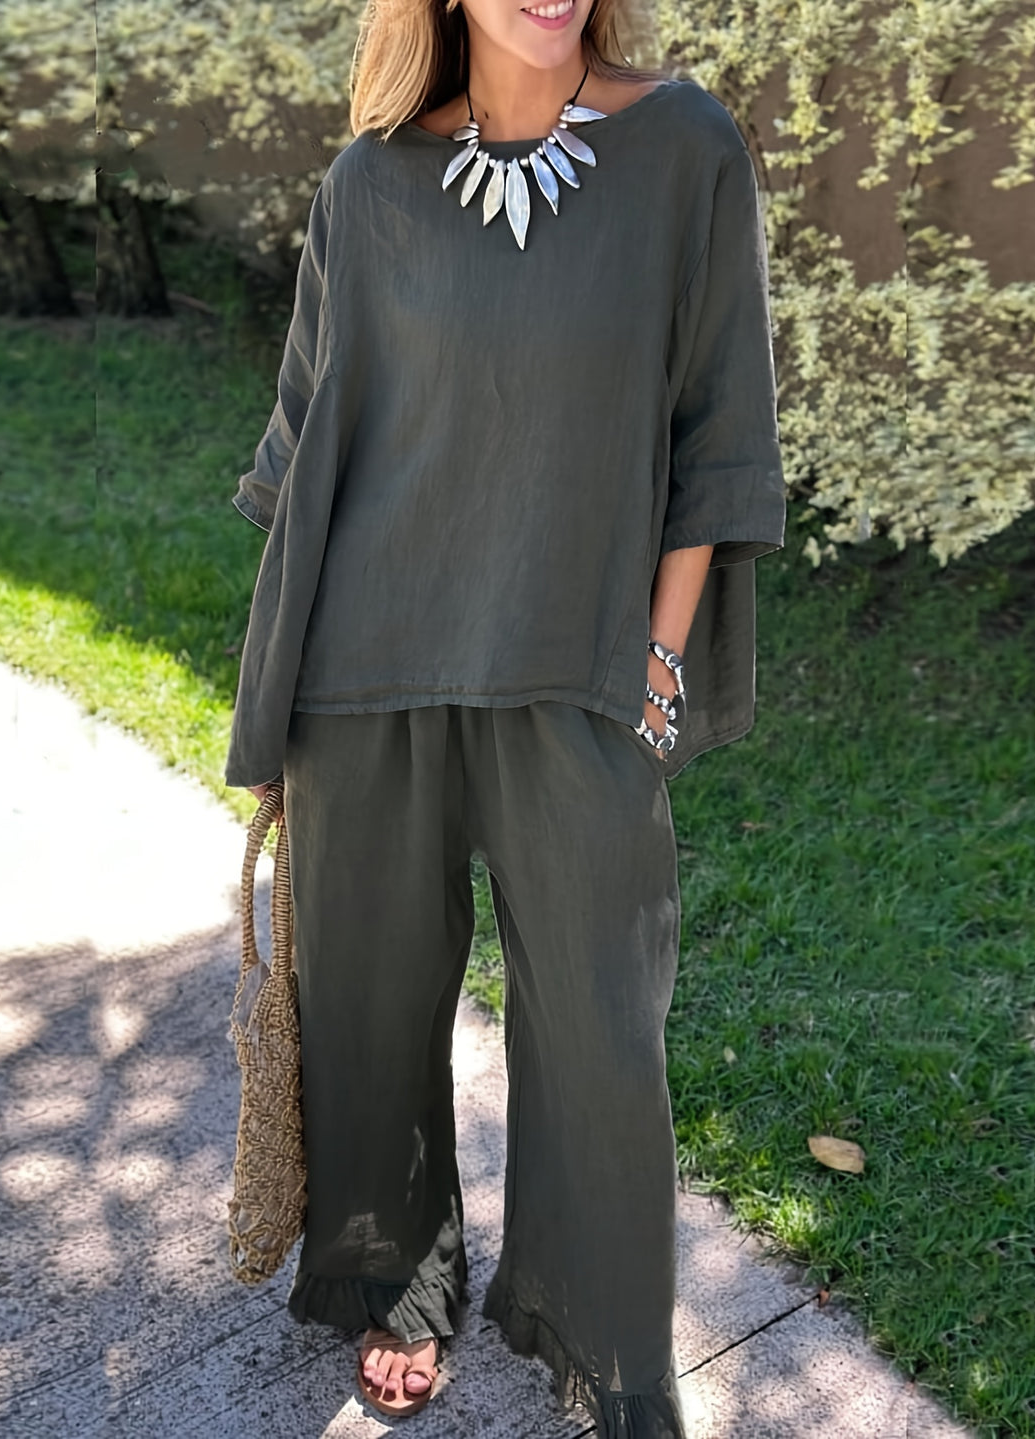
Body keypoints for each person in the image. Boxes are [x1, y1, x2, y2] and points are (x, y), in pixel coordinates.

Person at [224, 0, 786, 1432]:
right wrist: (280, 699)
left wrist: (655, 663)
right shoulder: (367, 182)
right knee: (368, 997)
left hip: (581, 671)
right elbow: (312, 434)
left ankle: (602, 1334)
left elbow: (719, 429)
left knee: (604, 1027)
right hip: (369, 669)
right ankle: (396, 1278)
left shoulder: (684, 147)